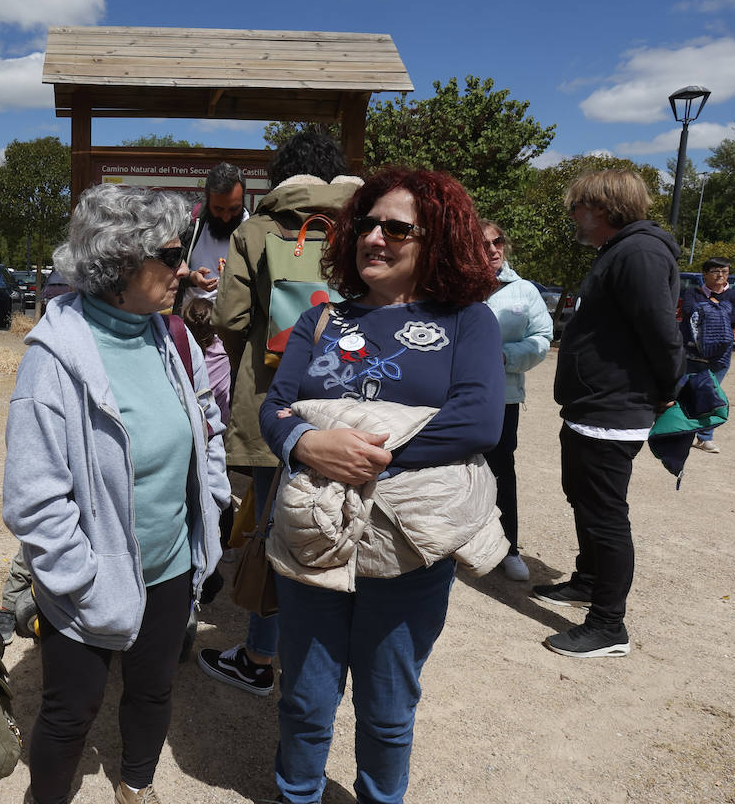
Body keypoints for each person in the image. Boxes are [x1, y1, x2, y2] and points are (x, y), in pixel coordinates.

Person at [257, 167, 503, 804]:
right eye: (366, 223)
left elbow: (477, 421)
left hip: (406, 549)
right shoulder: (322, 320)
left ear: (437, 240)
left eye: (398, 228)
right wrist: (309, 444)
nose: (375, 237)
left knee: (388, 703)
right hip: (314, 536)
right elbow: (276, 406)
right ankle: (297, 795)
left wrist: (366, 457)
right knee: (305, 698)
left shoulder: (467, 322)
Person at [3, 183, 227, 804]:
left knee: (154, 691)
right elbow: (32, 496)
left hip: (171, 568)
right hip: (91, 581)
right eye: (171, 253)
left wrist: (213, 504)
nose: (184, 268)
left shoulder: (169, 335)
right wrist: (78, 579)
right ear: (122, 261)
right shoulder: (55, 358)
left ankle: (137, 784)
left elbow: (204, 423)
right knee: (69, 713)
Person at [200, 128, 361, 695]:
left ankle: (261, 654)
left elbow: (231, 319)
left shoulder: (257, 230)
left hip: (279, 401)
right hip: (356, 398)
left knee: (275, 526)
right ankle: (331, 651)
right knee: (352, 518)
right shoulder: (370, 225)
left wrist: (265, 363)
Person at [534, 169, 682, 659]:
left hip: (613, 408)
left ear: (600, 207)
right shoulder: (621, 251)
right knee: (582, 498)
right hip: (593, 405)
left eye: (577, 206)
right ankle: (588, 580)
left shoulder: (639, 252)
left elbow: (660, 331)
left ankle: (607, 626)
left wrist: (668, 389)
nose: (572, 214)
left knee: (605, 514)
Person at [481, 220, 552, 581]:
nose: (494, 249)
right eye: (484, 244)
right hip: (451, 394)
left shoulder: (523, 291)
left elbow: (542, 338)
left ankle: (509, 547)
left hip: (503, 396)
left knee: (500, 471)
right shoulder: (452, 287)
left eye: (498, 242)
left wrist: (505, 356)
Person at [680, 257, 735, 453]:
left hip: (719, 357)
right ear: (705, 274)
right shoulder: (692, 293)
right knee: (684, 393)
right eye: (716, 271)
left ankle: (705, 438)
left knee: (710, 395)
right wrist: (719, 310)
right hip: (691, 354)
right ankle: (681, 433)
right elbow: (688, 311)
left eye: (725, 272)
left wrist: (706, 311)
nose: (721, 275)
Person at [180, 161, 247, 302]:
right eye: (218, 209)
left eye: (234, 209)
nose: (226, 217)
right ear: (207, 200)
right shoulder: (190, 223)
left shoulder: (254, 230)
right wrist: (191, 277)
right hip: (189, 319)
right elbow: (170, 270)